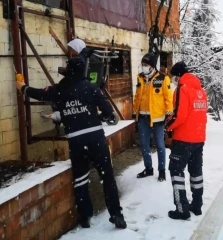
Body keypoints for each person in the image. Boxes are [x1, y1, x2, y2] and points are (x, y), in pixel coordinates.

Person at [15, 56, 127, 229]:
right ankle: (117, 214)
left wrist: (23, 88)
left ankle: (85, 217)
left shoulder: (60, 89)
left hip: (76, 140)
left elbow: (39, 94)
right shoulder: (91, 88)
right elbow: (108, 112)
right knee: (107, 176)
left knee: (81, 179)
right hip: (96, 138)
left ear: (69, 70)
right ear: (84, 71)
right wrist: (98, 116)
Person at [165, 61, 208, 220]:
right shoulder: (201, 91)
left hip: (183, 139)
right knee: (196, 172)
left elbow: (179, 115)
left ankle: (181, 208)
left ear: (178, 75)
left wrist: (167, 126)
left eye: (174, 77)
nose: (174, 80)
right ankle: (196, 205)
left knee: (176, 171)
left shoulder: (182, 89)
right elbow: (201, 115)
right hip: (198, 139)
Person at [133, 52, 173, 182]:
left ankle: (162, 171)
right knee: (144, 145)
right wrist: (135, 111)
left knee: (160, 146)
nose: (143, 67)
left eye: (145, 64)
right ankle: (148, 169)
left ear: (151, 66)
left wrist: (169, 112)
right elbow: (137, 96)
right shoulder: (140, 77)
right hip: (143, 118)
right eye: (142, 64)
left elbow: (168, 97)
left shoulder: (163, 78)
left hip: (158, 118)